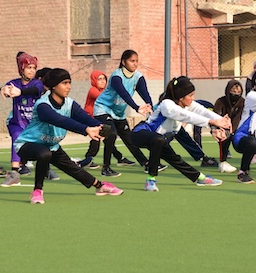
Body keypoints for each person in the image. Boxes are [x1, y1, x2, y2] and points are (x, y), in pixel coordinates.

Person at [13, 68, 123, 204]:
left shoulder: (69, 103)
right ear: (54, 85)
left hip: (51, 145)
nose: (69, 87)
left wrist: (100, 127)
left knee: (73, 168)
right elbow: (59, 120)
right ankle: (37, 191)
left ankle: (100, 186)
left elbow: (84, 117)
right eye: (64, 83)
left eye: (69, 82)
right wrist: (86, 129)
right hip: (26, 145)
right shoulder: (42, 105)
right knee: (44, 154)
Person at [131, 76, 230, 191]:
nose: (193, 98)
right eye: (190, 95)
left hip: (159, 140)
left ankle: (200, 178)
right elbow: (187, 116)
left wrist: (223, 122)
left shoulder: (188, 105)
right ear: (181, 97)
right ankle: (150, 180)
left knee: (175, 159)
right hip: (140, 133)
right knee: (158, 140)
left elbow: (203, 111)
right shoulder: (167, 104)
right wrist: (212, 122)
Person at [93, 49, 157, 177]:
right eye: (132, 61)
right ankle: (106, 168)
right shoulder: (117, 76)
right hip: (103, 108)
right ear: (123, 62)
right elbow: (124, 94)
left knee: (130, 138)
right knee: (111, 134)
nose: (135, 64)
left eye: (136, 61)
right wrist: (136, 107)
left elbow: (145, 93)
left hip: (118, 113)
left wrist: (150, 107)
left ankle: (145, 163)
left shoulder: (138, 77)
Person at [0, 52, 46, 185]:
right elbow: (6, 88)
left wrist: (20, 92)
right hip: (18, 123)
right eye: (28, 67)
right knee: (17, 139)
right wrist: (3, 89)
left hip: (34, 125)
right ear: (21, 69)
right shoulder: (14, 83)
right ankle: (14, 173)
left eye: (34, 68)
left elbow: (36, 91)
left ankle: (46, 168)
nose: (32, 71)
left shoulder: (37, 83)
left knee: (44, 148)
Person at [78, 70, 136, 169]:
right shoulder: (93, 90)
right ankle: (88, 159)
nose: (102, 81)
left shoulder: (106, 91)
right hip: (91, 118)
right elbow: (105, 99)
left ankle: (119, 157)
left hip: (101, 119)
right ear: (94, 80)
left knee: (108, 139)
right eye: (99, 79)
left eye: (104, 79)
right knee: (97, 140)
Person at [213, 80, 245, 173]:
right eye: (233, 92)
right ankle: (223, 162)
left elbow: (239, 117)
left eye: (238, 92)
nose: (236, 94)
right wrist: (219, 127)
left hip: (237, 127)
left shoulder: (242, 102)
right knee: (223, 137)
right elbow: (215, 115)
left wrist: (233, 130)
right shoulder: (220, 101)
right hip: (222, 126)